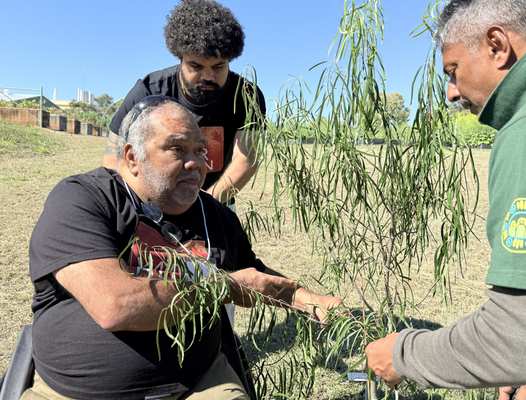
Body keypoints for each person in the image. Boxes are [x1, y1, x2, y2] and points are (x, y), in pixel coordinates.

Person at [25, 96, 341, 400]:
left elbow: (252, 274)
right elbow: (115, 305)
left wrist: (310, 301)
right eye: (176, 149)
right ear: (133, 157)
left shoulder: (216, 215)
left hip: (199, 384)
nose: (195, 163)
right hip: (78, 392)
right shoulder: (82, 199)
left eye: (200, 151)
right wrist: (221, 287)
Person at [365, 0, 526, 399]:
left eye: (453, 71)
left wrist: (403, 353)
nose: (451, 92)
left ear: (497, 45)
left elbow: (522, 342)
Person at [103, 0, 265, 206]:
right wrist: (140, 208)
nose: (208, 76)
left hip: (216, 202)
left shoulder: (246, 95)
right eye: (196, 65)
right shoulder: (148, 91)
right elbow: (113, 161)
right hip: (150, 204)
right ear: (179, 57)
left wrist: (203, 207)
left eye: (218, 66)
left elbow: (246, 159)